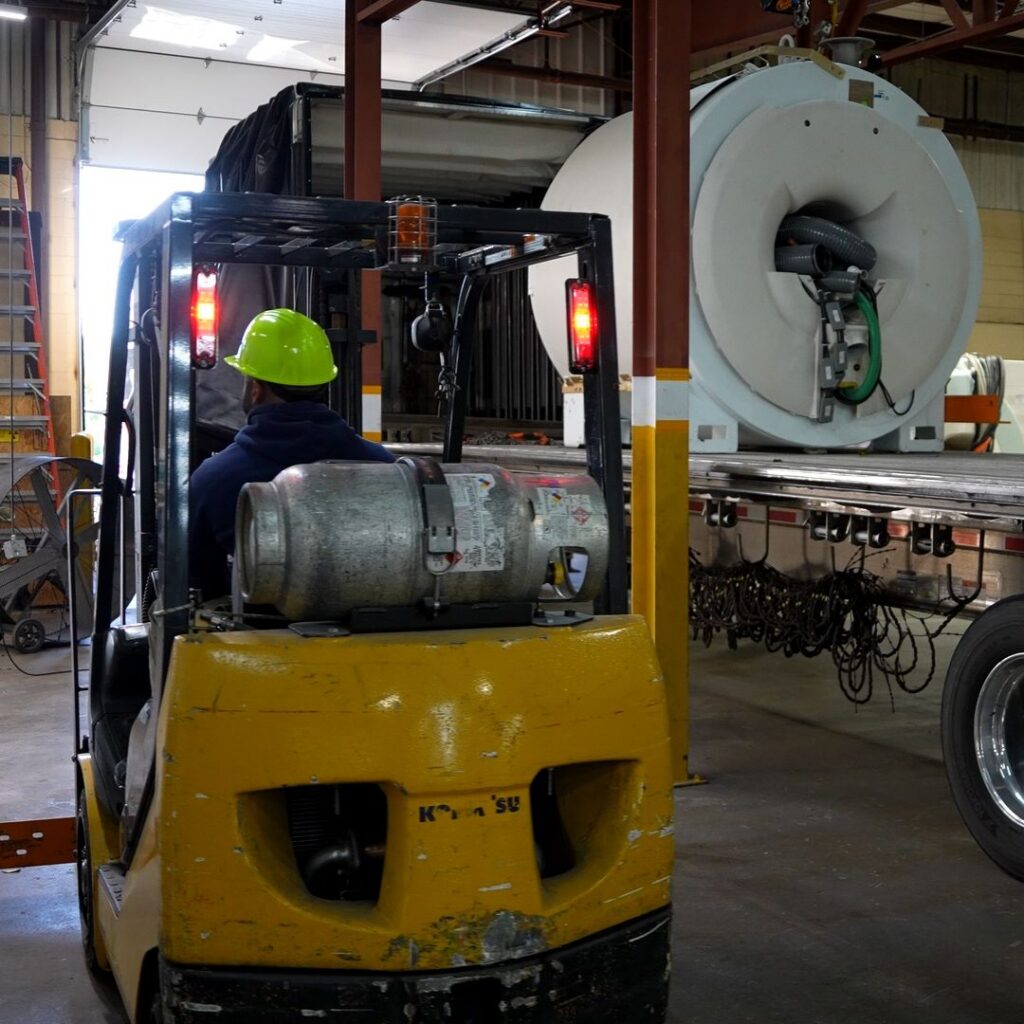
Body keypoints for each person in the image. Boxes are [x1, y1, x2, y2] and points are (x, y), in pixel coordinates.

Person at [189, 308, 394, 598]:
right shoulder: (383, 467)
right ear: (323, 383)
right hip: (371, 622)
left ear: (255, 389)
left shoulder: (213, 480)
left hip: (257, 626)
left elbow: (196, 590)